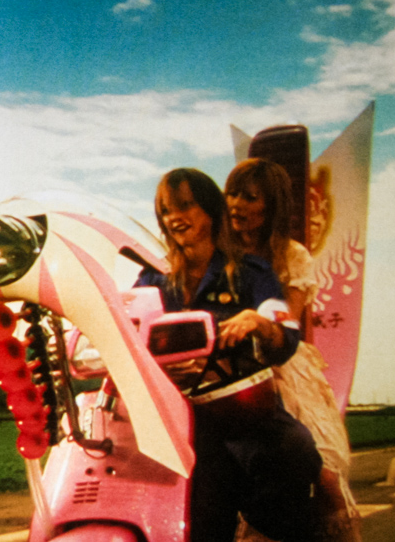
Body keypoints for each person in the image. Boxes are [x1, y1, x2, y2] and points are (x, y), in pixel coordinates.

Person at [134, 167, 323, 542]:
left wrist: (259, 323)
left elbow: (285, 336)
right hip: (179, 419)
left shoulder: (253, 273)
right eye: (166, 211)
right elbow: (130, 331)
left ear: (210, 210)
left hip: (242, 412)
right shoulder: (151, 277)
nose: (175, 218)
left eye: (185, 206)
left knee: (295, 449)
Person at [225, 158, 362, 542]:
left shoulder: (291, 255)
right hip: (223, 364)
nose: (236, 204)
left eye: (249, 197)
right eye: (232, 193)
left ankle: (334, 507)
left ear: (270, 207)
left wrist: (256, 321)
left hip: (277, 363)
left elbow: (289, 320)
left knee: (314, 456)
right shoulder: (218, 255)